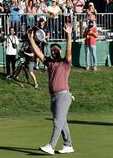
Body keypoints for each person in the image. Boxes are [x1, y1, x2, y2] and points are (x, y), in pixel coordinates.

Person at [28, 23, 74, 155]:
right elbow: (39, 53)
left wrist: (69, 35)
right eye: (52, 50)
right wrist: (31, 39)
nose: (54, 51)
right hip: (54, 96)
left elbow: (69, 50)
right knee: (62, 121)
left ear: (60, 51)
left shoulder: (65, 62)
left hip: (63, 96)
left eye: (56, 50)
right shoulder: (50, 63)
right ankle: (68, 145)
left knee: (57, 122)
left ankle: (51, 146)